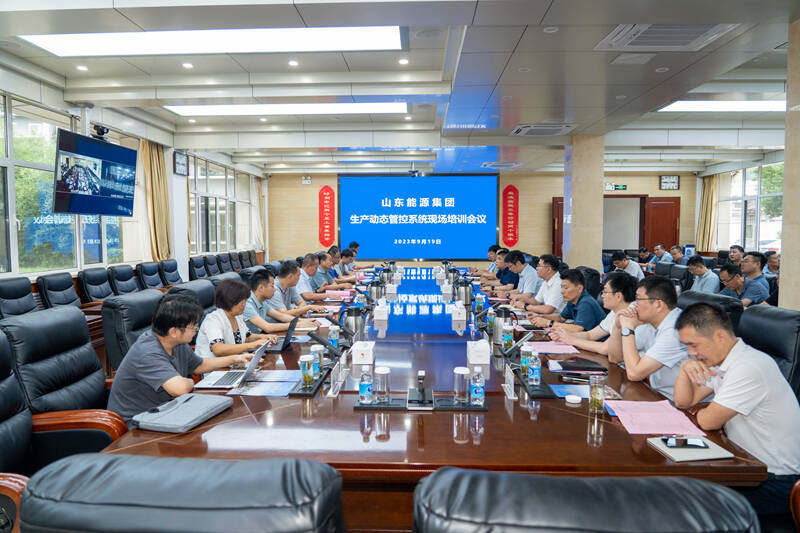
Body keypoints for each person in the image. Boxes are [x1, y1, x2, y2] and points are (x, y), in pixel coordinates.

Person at [673, 303, 800, 517]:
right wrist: (685, 368)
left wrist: (706, 412)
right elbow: (684, 401)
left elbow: (708, 421)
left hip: (775, 481)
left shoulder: (749, 367)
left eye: (693, 345)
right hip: (747, 467)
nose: (691, 353)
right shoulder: (724, 362)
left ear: (720, 337)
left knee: (683, 502)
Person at [107, 294, 254, 427]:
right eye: (193, 326)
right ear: (174, 331)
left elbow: (199, 365)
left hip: (168, 411)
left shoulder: (176, 342)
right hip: (137, 424)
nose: (197, 329)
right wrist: (191, 381)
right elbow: (180, 389)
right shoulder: (148, 352)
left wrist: (234, 359)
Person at [608, 277, 689, 399]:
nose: (634, 305)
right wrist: (617, 326)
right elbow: (614, 358)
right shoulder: (649, 322)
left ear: (658, 304)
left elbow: (634, 373)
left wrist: (628, 328)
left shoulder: (675, 331)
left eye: (638, 299)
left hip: (677, 403)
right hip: (654, 392)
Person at [549, 272, 637, 355]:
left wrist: (572, 340)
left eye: (605, 292)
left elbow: (605, 348)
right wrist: (564, 335)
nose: (602, 296)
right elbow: (590, 335)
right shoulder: (614, 312)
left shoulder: (630, 314)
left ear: (618, 296)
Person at [195, 279, 278, 358]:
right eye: (242, 301)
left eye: (245, 301)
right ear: (231, 301)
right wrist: (252, 345)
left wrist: (263, 337)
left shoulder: (237, 316)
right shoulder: (213, 319)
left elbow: (247, 337)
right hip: (215, 365)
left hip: (235, 361)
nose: (244, 304)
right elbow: (218, 349)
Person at [527, 269, 605, 332]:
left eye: (566, 287)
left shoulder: (586, 303)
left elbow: (578, 329)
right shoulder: (573, 300)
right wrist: (539, 316)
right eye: (561, 287)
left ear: (580, 288)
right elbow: (561, 318)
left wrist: (548, 323)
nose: (562, 291)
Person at [243, 269, 318, 333]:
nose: (275, 289)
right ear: (261, 288)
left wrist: (304, 321)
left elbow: (281, 316)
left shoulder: (262, 302)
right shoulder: (247, 303)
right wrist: (296, 325)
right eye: (272, 286)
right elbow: (267, 327)